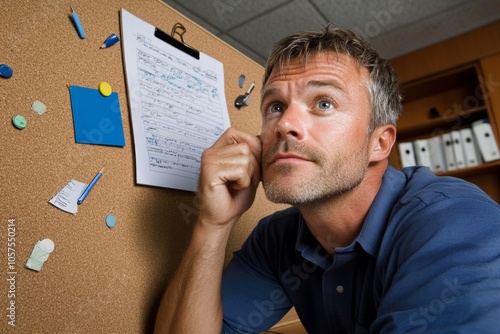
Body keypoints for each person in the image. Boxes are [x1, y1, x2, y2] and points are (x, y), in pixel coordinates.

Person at [153, 25, 500, 334]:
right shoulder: (277, 239)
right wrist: (213, 224)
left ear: (378, 143)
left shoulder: (456, 222)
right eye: (275, 106)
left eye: (323, 102)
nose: (285, 123)